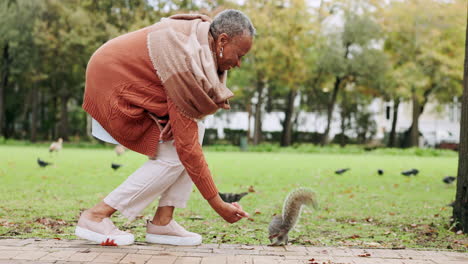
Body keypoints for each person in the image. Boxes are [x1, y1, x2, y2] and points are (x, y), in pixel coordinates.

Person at [75, 9, 255, 246]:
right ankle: (95, 216)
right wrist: (217, 203)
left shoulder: (199, 44)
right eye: (240, 54)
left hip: (122, 77)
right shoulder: (186, 60)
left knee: (190, 136)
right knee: (176, 153)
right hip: (111, 84)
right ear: (222, 40)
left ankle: (163, 222)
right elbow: (188, 149)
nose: (239, 64)